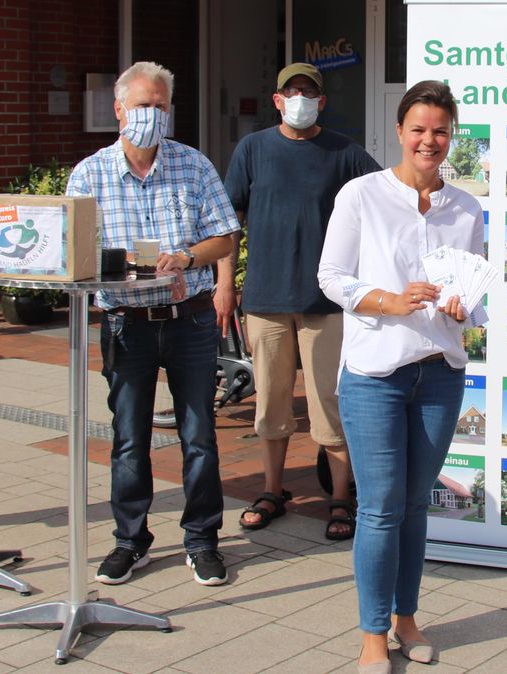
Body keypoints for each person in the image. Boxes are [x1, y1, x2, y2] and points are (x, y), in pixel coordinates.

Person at [318, 80, 485, 673]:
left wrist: (466, 310)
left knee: (415, 505)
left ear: (451, 136)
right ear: (399, 132)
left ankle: (406, 618)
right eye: (418, 129)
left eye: (440, 131)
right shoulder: (362, 195)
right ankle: (372, 634)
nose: (429, 141)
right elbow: (331, 277)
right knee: (380, 507)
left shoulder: (466, 208)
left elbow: (475, 296)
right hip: (375, 373)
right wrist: (388, 301)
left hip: (439, 374)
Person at [66, 61, 238, 587]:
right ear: (119, 110)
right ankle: (130, 541)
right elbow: (72, 250)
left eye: (160, 106)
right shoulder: (90, 174)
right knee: (128, 436)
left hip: (189, 320)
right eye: (143, 105)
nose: (152, 115)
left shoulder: (193, 165)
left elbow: (225, 236)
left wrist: (186, 257)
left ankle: (202, 540)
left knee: (199, 435)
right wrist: (114, 267)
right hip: (127, 323)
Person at [219, 62, 380, 540]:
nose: (301, 99)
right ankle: (272, 490)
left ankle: (340, 497)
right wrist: (224, 284)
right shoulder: (252, 149)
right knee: (270, 402)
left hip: (324, 303)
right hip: (265, 299)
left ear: (322, 102)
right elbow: (228, 223)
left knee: (329, 402)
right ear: (277, 100)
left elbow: (383, 203)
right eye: (292, 92)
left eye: (309, 92)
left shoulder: (344, 153)